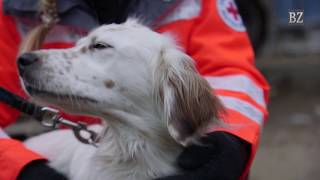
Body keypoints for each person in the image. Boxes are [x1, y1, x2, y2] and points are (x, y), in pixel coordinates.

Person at [0, 0, 270, 179]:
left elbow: (233, 75)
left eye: (99, 48)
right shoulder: (15, 5)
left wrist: (231, 142)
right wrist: (22, 170)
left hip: (187, 147)